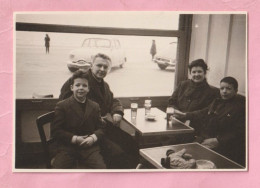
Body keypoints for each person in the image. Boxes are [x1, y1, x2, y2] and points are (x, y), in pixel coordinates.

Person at [59, 53, 139, 169]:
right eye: (99, 65)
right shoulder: (79, 81)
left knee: (130, 142)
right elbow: (64, 105)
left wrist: (117, 112)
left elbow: (113, 100)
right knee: (116, 152)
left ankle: (133, 174)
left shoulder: (104, 84)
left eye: (105, 67)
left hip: (102, 127)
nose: (102, 69)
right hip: (84, 132)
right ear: (92, 65)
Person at [173, 77, 246, 166]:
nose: (224, 91)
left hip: (223, 146)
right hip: (205, 138)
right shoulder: (217, 101)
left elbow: (239, 133)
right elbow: (203, 112)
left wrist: (218, 140)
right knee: (182, 154)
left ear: (236, 91)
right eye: (222, 88)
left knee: (193, 161)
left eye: (228, 89)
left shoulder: (240, 108)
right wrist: (185, 115)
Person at [51, 70, 107, 169]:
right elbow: (55, 131)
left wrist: (93, 138)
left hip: (89, 148)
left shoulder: (95, 106)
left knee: (101, 169)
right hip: (68, 148)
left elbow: (101, 128)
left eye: (84, 86)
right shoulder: (62, 106)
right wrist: (75, 139)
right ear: (72, 88)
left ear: (89, 89)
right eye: (77, 85)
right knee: (58, 171)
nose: (81, 88)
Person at [168, 59, 219, 131]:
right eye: (194, 72)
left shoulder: (212, 92)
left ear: (205, 73)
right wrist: (176, 111)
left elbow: (206, 111)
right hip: (176, 121)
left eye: (199, 72)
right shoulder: (183, 85)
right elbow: (172, 101)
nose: (196, 74)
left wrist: (186, 115)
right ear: (190, 73)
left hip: (197, 127)